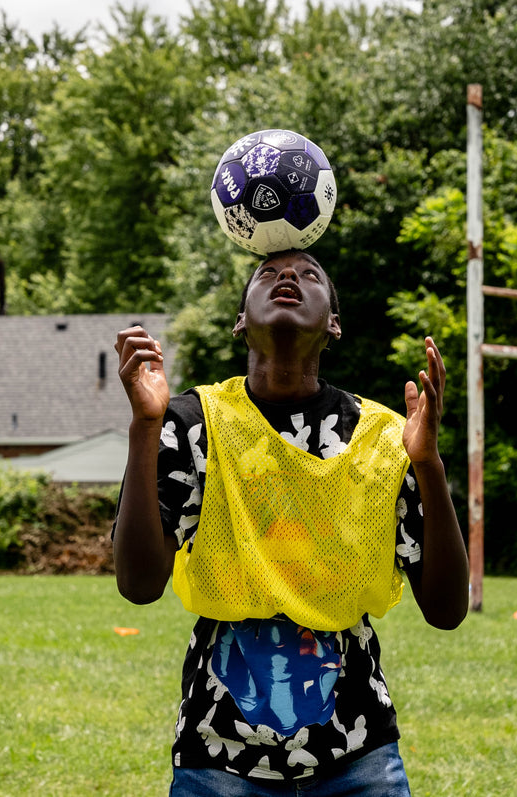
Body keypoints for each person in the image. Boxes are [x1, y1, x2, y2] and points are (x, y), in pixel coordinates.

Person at [112, 249, 469, 794]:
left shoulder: (385, 437)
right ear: (240, 320)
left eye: (309, 275)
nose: (287, 278)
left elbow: (446, 610)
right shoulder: (191, 422)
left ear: (333, 323)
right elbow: (138, 585)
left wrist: (428, 465)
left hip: (358, 755)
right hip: (217, 755)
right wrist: (144, 427)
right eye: (268, 274)